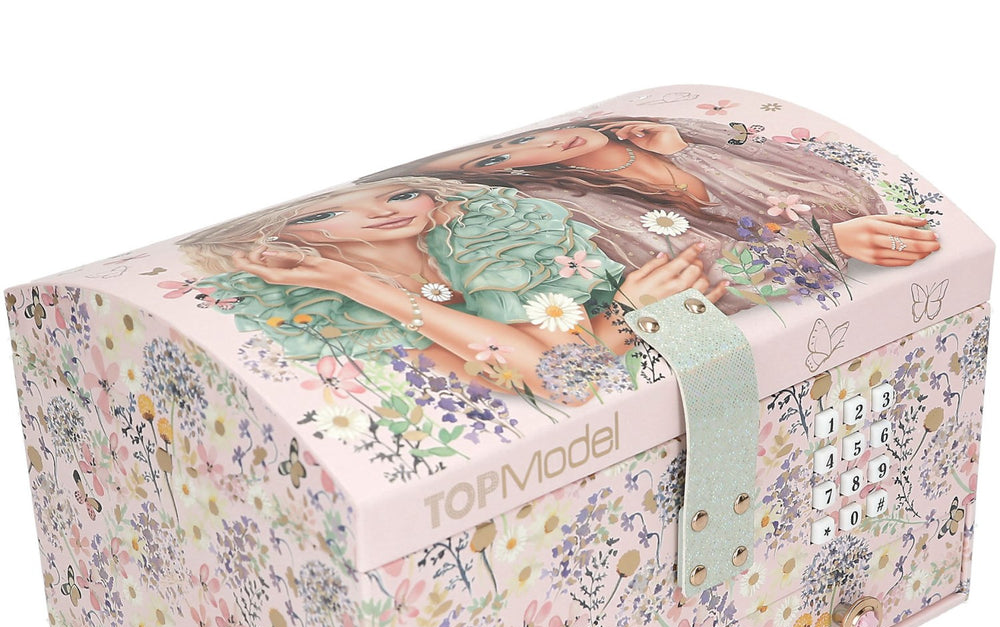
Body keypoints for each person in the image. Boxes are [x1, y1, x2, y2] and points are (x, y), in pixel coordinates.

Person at [177, 177, 727, 404]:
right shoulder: (322, 308)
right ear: (275, 239)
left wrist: (598, 342)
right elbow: (570, 382)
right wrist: (629, 317)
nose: (381, 213)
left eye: (401, 195)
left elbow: (567, 373)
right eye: (323, 214)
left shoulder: (499, 236)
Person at [361, 118, 941, 314]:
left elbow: (847, 191)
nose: (536, 147)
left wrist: (687, 147)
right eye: (496, 161)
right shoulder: (586, 212)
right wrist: (826, 244)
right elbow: (698, 283)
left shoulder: (695, 136)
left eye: (518, 139)